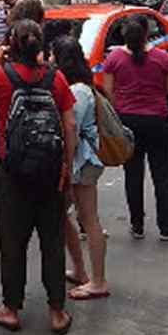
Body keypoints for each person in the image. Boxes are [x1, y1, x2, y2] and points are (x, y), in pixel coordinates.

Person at [0, 19, 76, 335]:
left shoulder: (0, 76)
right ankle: (57, 311)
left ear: (12, 44)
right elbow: (70, 126)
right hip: (51, 173)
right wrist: (66, 168)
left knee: (12, 243)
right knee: (52, 242)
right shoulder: (56, 78)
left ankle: (10, 308)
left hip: (13, 172)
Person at [101, 16, 168, 241]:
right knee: (162, 175)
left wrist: (121, 110)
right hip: (157, 120)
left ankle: (137, 225)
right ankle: (165, 226)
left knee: (133, 175)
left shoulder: (114, 58)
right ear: (147, 34)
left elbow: (108, 91)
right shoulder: (162, 58)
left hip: (128, 121)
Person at [52, 37, 109, 303]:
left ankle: (97, 280)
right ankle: (81, 271)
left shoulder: (77, 90)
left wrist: (65, 161)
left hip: (81, 160)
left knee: (89, 218)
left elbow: (71, 128)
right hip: (82, 159)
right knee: (66, 215)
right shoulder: (84, 86)